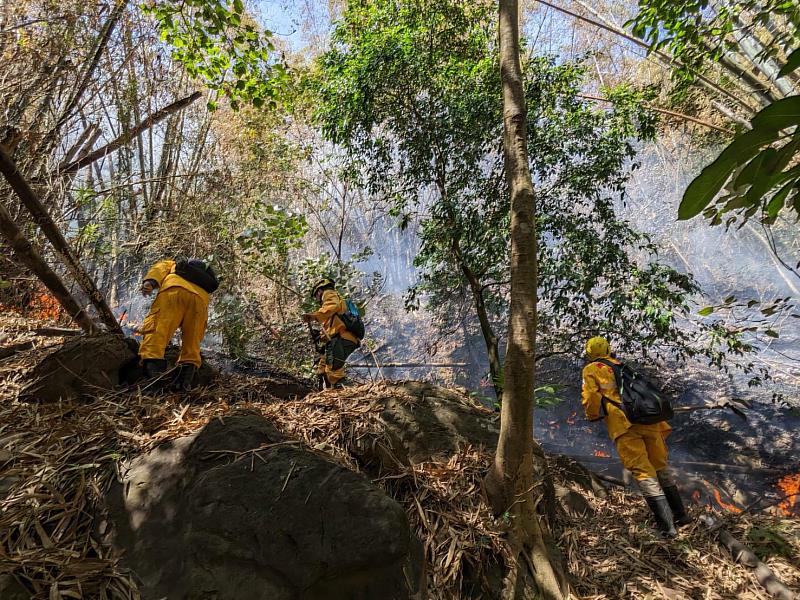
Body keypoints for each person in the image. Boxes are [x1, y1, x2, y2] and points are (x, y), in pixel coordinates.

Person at [581, 336, 691, 537]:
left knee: (642, 470)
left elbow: (591, 397)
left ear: (589, 353)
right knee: (660, 466)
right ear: (608, 348)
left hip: (625, 425)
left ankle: (667, 528)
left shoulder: (591, 369)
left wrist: (592, 415)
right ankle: (680, 515)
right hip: (649, 421)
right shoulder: (621, 366)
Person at [138, 259, 215, 391]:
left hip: (174, 291)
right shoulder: (203, 279)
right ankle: (184, 385)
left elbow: (159, 269)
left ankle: (154, 382)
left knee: (158, 331)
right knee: (192, 342)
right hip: (200, 300)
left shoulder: (171, 263)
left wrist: (149, 282)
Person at [302, 278, 360, 389]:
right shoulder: (336, 309)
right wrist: (320, 336)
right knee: (323, 366)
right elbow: (331, 328)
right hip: (345, 338)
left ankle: (346, 391)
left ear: (319, 291)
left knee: (333, 368)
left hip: (341, 337)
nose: (318, 299)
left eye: (316, 296)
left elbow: (332, 306)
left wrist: (314, 316)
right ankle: (327, 390)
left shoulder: (328, 294)